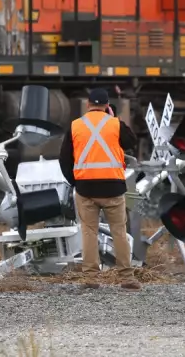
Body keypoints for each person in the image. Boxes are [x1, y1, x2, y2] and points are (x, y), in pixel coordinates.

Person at [59, 88, 139, 285]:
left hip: (86, 189)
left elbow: (64, 159)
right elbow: (131, 142)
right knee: (119, 232)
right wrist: (115, 118)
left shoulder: (75, 125)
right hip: (113, 188)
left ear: (87, 105)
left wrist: (75, 181)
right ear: (107, 106)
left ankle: (91, 277)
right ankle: (126, 277)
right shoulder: (115, 124)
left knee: (88, 232)